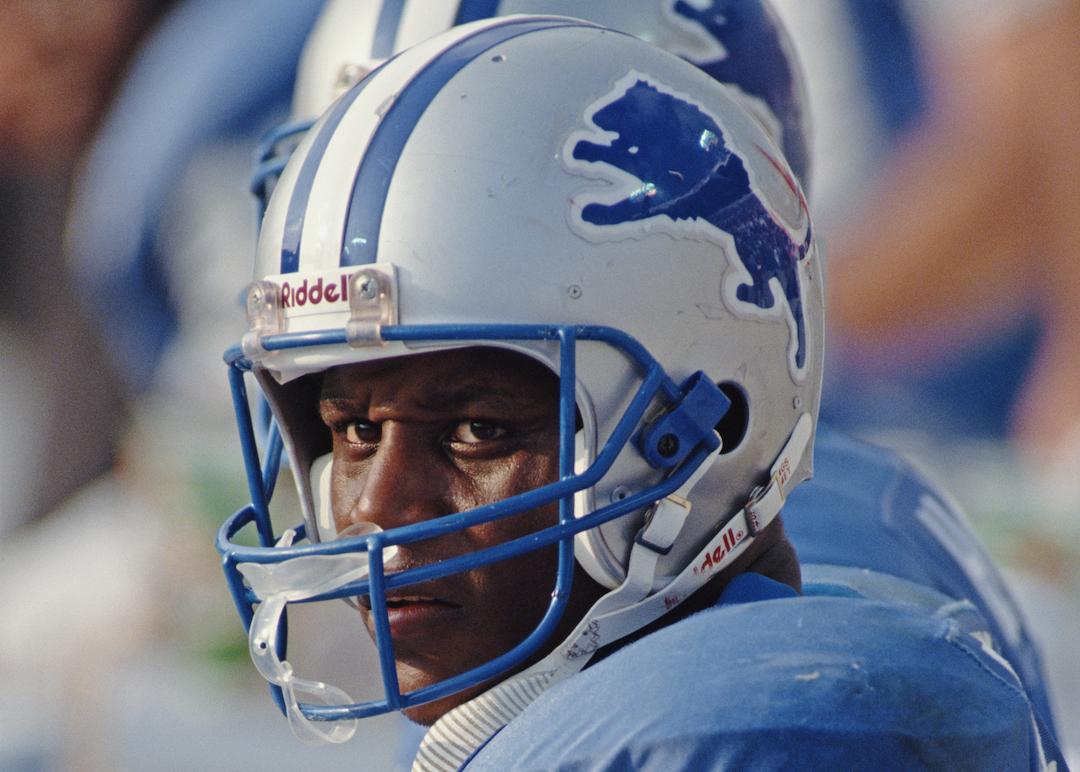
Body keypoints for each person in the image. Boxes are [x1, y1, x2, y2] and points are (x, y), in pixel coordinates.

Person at [215, 15, 1067, 770]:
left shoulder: (760, 725)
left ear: (714, 426)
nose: (376, 508)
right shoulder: (543, 676)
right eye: (355, 431)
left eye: (477, 429)